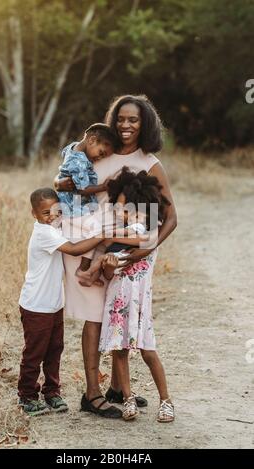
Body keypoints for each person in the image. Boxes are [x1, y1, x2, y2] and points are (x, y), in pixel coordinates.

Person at [55, 95, 177, 421]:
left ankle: (119, 390)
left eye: (133, 120)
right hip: (88, 241)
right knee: (96, 316)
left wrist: (149, 248)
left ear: (144, 124)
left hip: (129, 253)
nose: (125, 125)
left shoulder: (149, 162)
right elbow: (67, 184)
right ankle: (92, 393)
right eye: (120, 119)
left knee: (118, 317)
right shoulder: (98, 154)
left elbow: (170, 217)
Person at [18, 188, 105, 416]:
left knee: (55, 350)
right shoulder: (44, 233)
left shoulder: (54, 226)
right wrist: (102, 235)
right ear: (33, 214)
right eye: (45, 212)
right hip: (36, 305)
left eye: (56, 210)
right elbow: (75, 249)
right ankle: (27, 396)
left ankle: (52, 392)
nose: (52, 215)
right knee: (34, 353)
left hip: (54, 304)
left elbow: (73, 220)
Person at [98, 167, 173, 421]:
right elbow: (109, 276)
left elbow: (145, 239)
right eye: (118, 209)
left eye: (126, 209)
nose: (121, 214)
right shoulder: (120, 241)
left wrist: (107, 237)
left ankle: (166, 400)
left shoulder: (149, 233)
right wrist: (107, 263)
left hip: (141, 305)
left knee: (148, 352)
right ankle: (127, 398)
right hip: (117, 305)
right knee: (119, 352)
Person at [57, 123, 118, 286]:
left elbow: (63, 157)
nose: (100, 158)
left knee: (104, 223)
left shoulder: (72, 148)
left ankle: (89, 269)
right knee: (98, 231)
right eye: (101, 153)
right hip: (73, 209)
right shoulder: (79, 161)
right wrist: (104, 186)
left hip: (78, 207)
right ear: (91, 140)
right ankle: (84, 270)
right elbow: (83, 189)